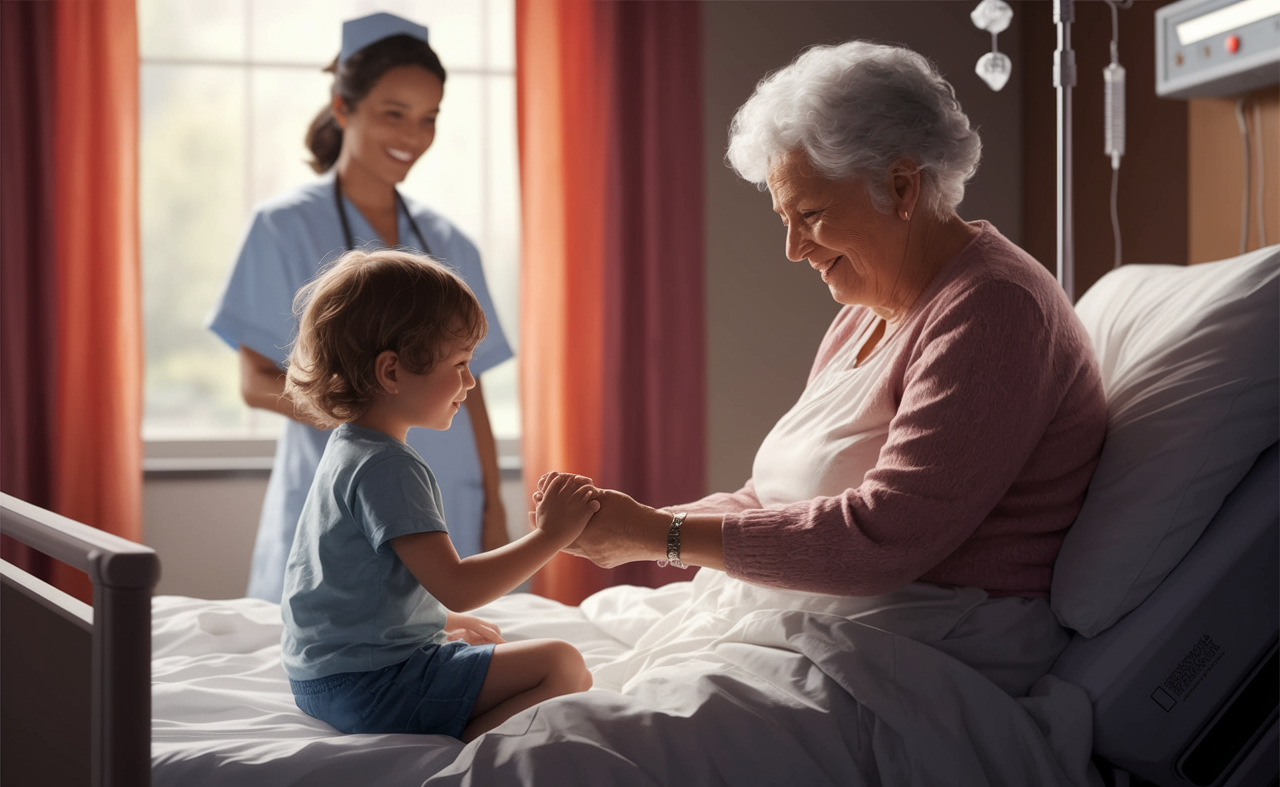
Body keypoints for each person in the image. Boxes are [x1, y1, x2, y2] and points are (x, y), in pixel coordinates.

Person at [556, 41, 1108, 696]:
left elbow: (883, 539)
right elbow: (775, 499)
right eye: (784, 219)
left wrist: (663, 536)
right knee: (514, 666)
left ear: (901, 187)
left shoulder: (995, 310)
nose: (794, 250)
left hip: (927, 644)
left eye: (811, 216)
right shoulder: (869, 308)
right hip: (832, 616)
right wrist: (635, 526)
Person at [207, 12, 513, 604]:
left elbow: (474, 398)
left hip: (452, 496)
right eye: (393, 113)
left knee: (447, 647)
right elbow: (252, 383)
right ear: (343, 108)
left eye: (428, 118)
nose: (412, 135)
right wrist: (370, 415)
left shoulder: (450, 244)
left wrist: (495, 509)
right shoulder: (281, 227)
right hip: (340, 487)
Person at [279, 249, 594, 742]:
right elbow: (459, 584)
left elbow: (355, 585)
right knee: (563, 665)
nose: (470, 381)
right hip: (370, 688)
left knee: (522, 654)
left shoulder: (348, 446)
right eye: (461, 363)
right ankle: (456, 754)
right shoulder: (390, 466)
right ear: (392, 372)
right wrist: (551, 535)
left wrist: (436, 620)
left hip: (319, 678)